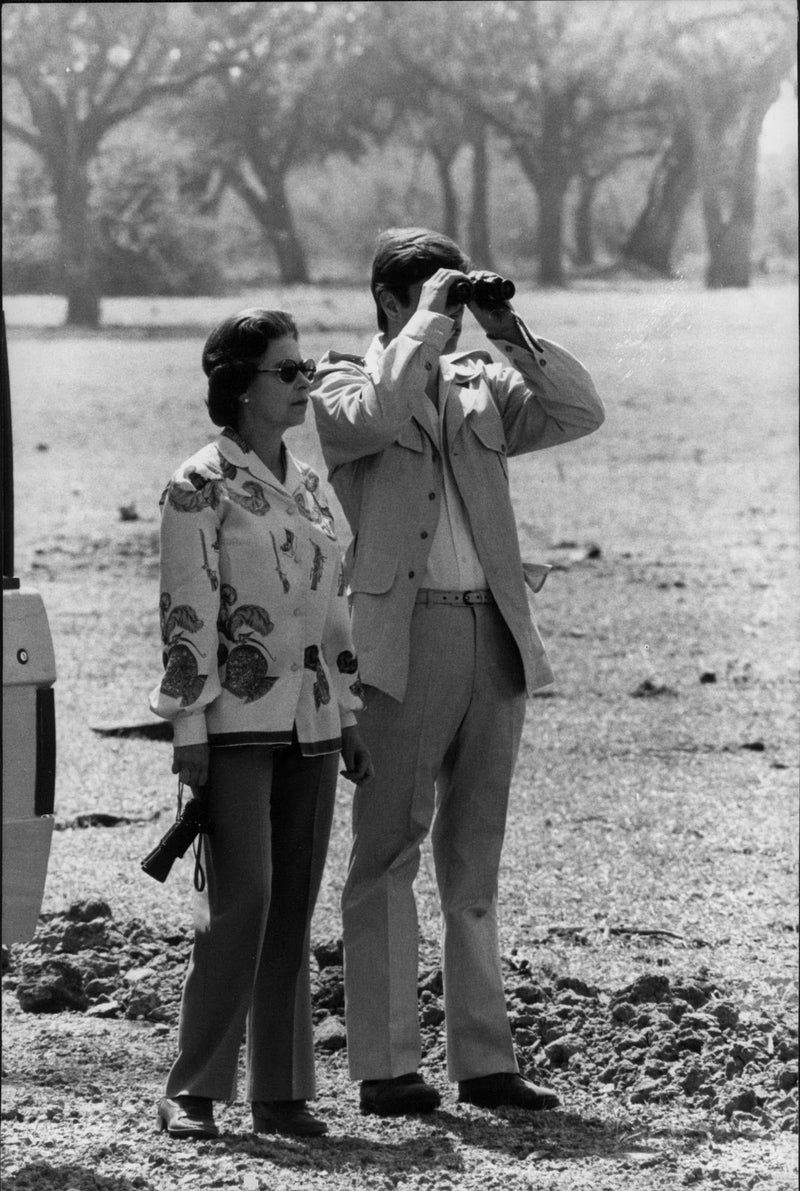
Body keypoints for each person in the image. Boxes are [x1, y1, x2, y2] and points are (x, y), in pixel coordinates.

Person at [310, 228, 605, 1117]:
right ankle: (388, 1065)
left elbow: (578, 410)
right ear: (390, 301)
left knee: (473, 864)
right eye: (427, 296)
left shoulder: (483, 384)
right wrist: (425, 331)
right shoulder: (340, 382)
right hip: (401, 640)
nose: (447, 316)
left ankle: (484, 1061)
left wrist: (506, 329)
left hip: (492, 635)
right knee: (387, 853)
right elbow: (376, 419)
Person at [149, 308, 372, 1141]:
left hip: (311, 720)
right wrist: (189, 729)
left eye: (304, 365)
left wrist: (349, 713)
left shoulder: (311, 486)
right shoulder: (196, 485)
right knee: (243, 900)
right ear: (241, 385)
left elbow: (333, 612)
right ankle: (195, 1087)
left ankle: (281, 1090)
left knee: (293, 907)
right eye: (288, 370)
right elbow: (186, 612)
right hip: (233, 721)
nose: (304, 382)